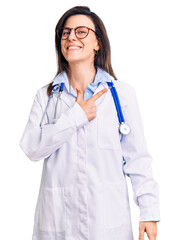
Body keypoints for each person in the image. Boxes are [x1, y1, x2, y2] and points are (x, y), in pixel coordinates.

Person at [19, 5, 160, 240]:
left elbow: (137, 159)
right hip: (57, 225)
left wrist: (149, 211)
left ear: (98, 43)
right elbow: (32, 148)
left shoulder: (121, 95)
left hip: (106, 226)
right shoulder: (46, 96)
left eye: (81, 31)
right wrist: (76, 116)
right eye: (65, 33)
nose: (71, 36)